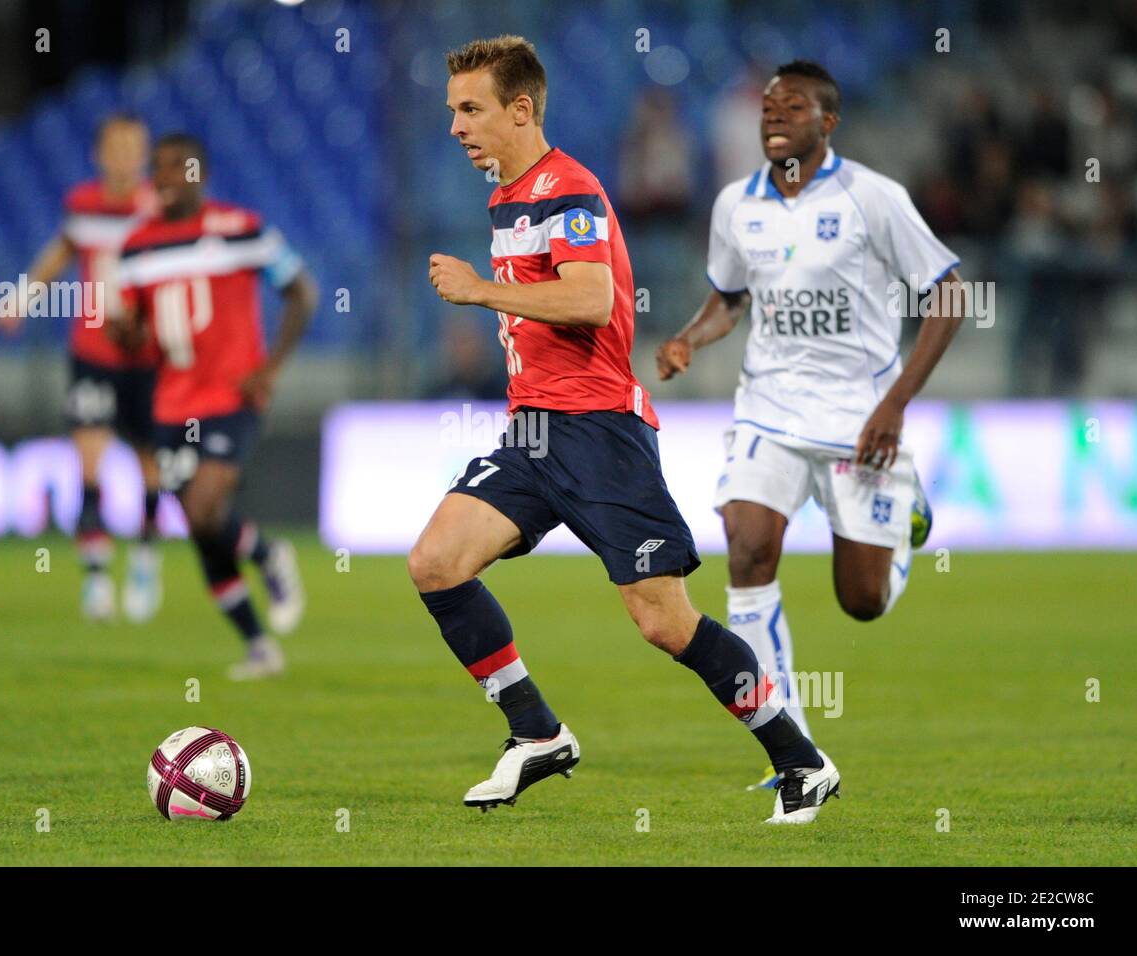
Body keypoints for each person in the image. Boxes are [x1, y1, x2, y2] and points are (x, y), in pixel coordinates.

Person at [412, 36, 839, 824]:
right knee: (437, 562)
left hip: (599, 431)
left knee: (662, 621)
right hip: (533, 434)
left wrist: (478, 292)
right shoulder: (506, 194)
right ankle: (535, 732)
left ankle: (800, 760)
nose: (456, 127)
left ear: (521, 109)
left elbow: (591, 301)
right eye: (451, 112)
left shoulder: (565, 191)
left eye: (470, 110)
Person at [656, 61, 965, 788]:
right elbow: (729, 298)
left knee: (861, 603)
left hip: (861, 421)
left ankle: (904, 514)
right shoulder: (736, 203)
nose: (773, 117)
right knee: (746, 548)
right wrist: (688, 339)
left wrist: (896, 404)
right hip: (768, 408)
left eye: (792, 108)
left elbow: (948, 297)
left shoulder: (873, 198)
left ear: (828, 125)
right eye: (767, 107)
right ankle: (790, 745)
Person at [114, 133, 317, 680]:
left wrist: (269, 368)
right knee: (202, 527)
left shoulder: (242, 229)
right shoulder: (135, 248)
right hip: (170, 403)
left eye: (175, 166)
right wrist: (123, 331)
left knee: (204, 507)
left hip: (232, 396)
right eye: (156, 168)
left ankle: (270, 556)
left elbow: (302, 291)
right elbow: (133, 335)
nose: (162, 177)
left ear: (200, 172)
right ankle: (259, 643)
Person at [0, 113, 162, 622]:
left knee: (149, 467)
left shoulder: (158, 209)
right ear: (99, 154)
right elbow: (62, 251)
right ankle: (94, 577)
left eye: (134, 146)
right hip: (92, 351)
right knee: (88, 460)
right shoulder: (83, 205)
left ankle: (144, 557)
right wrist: (23, 297)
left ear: (145, 154)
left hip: (148, 356)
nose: (124, 156)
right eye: (115, 146)